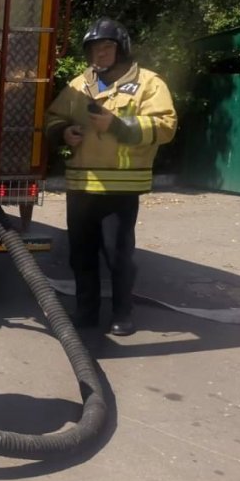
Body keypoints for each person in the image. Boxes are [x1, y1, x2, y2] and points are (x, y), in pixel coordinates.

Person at [45, 17, 177, 336]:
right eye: (93, 49)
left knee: (118, 256)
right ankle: (86, 312)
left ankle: (123, 313)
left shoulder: (149, 83)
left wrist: (118, 127)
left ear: (121, 49)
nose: (99, 54)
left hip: (120, 188)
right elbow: (52, 117)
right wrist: (64, 132)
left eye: (106, 47)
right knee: (81, 255)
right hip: (81, 187)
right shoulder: (79, 85)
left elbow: (166, 126)